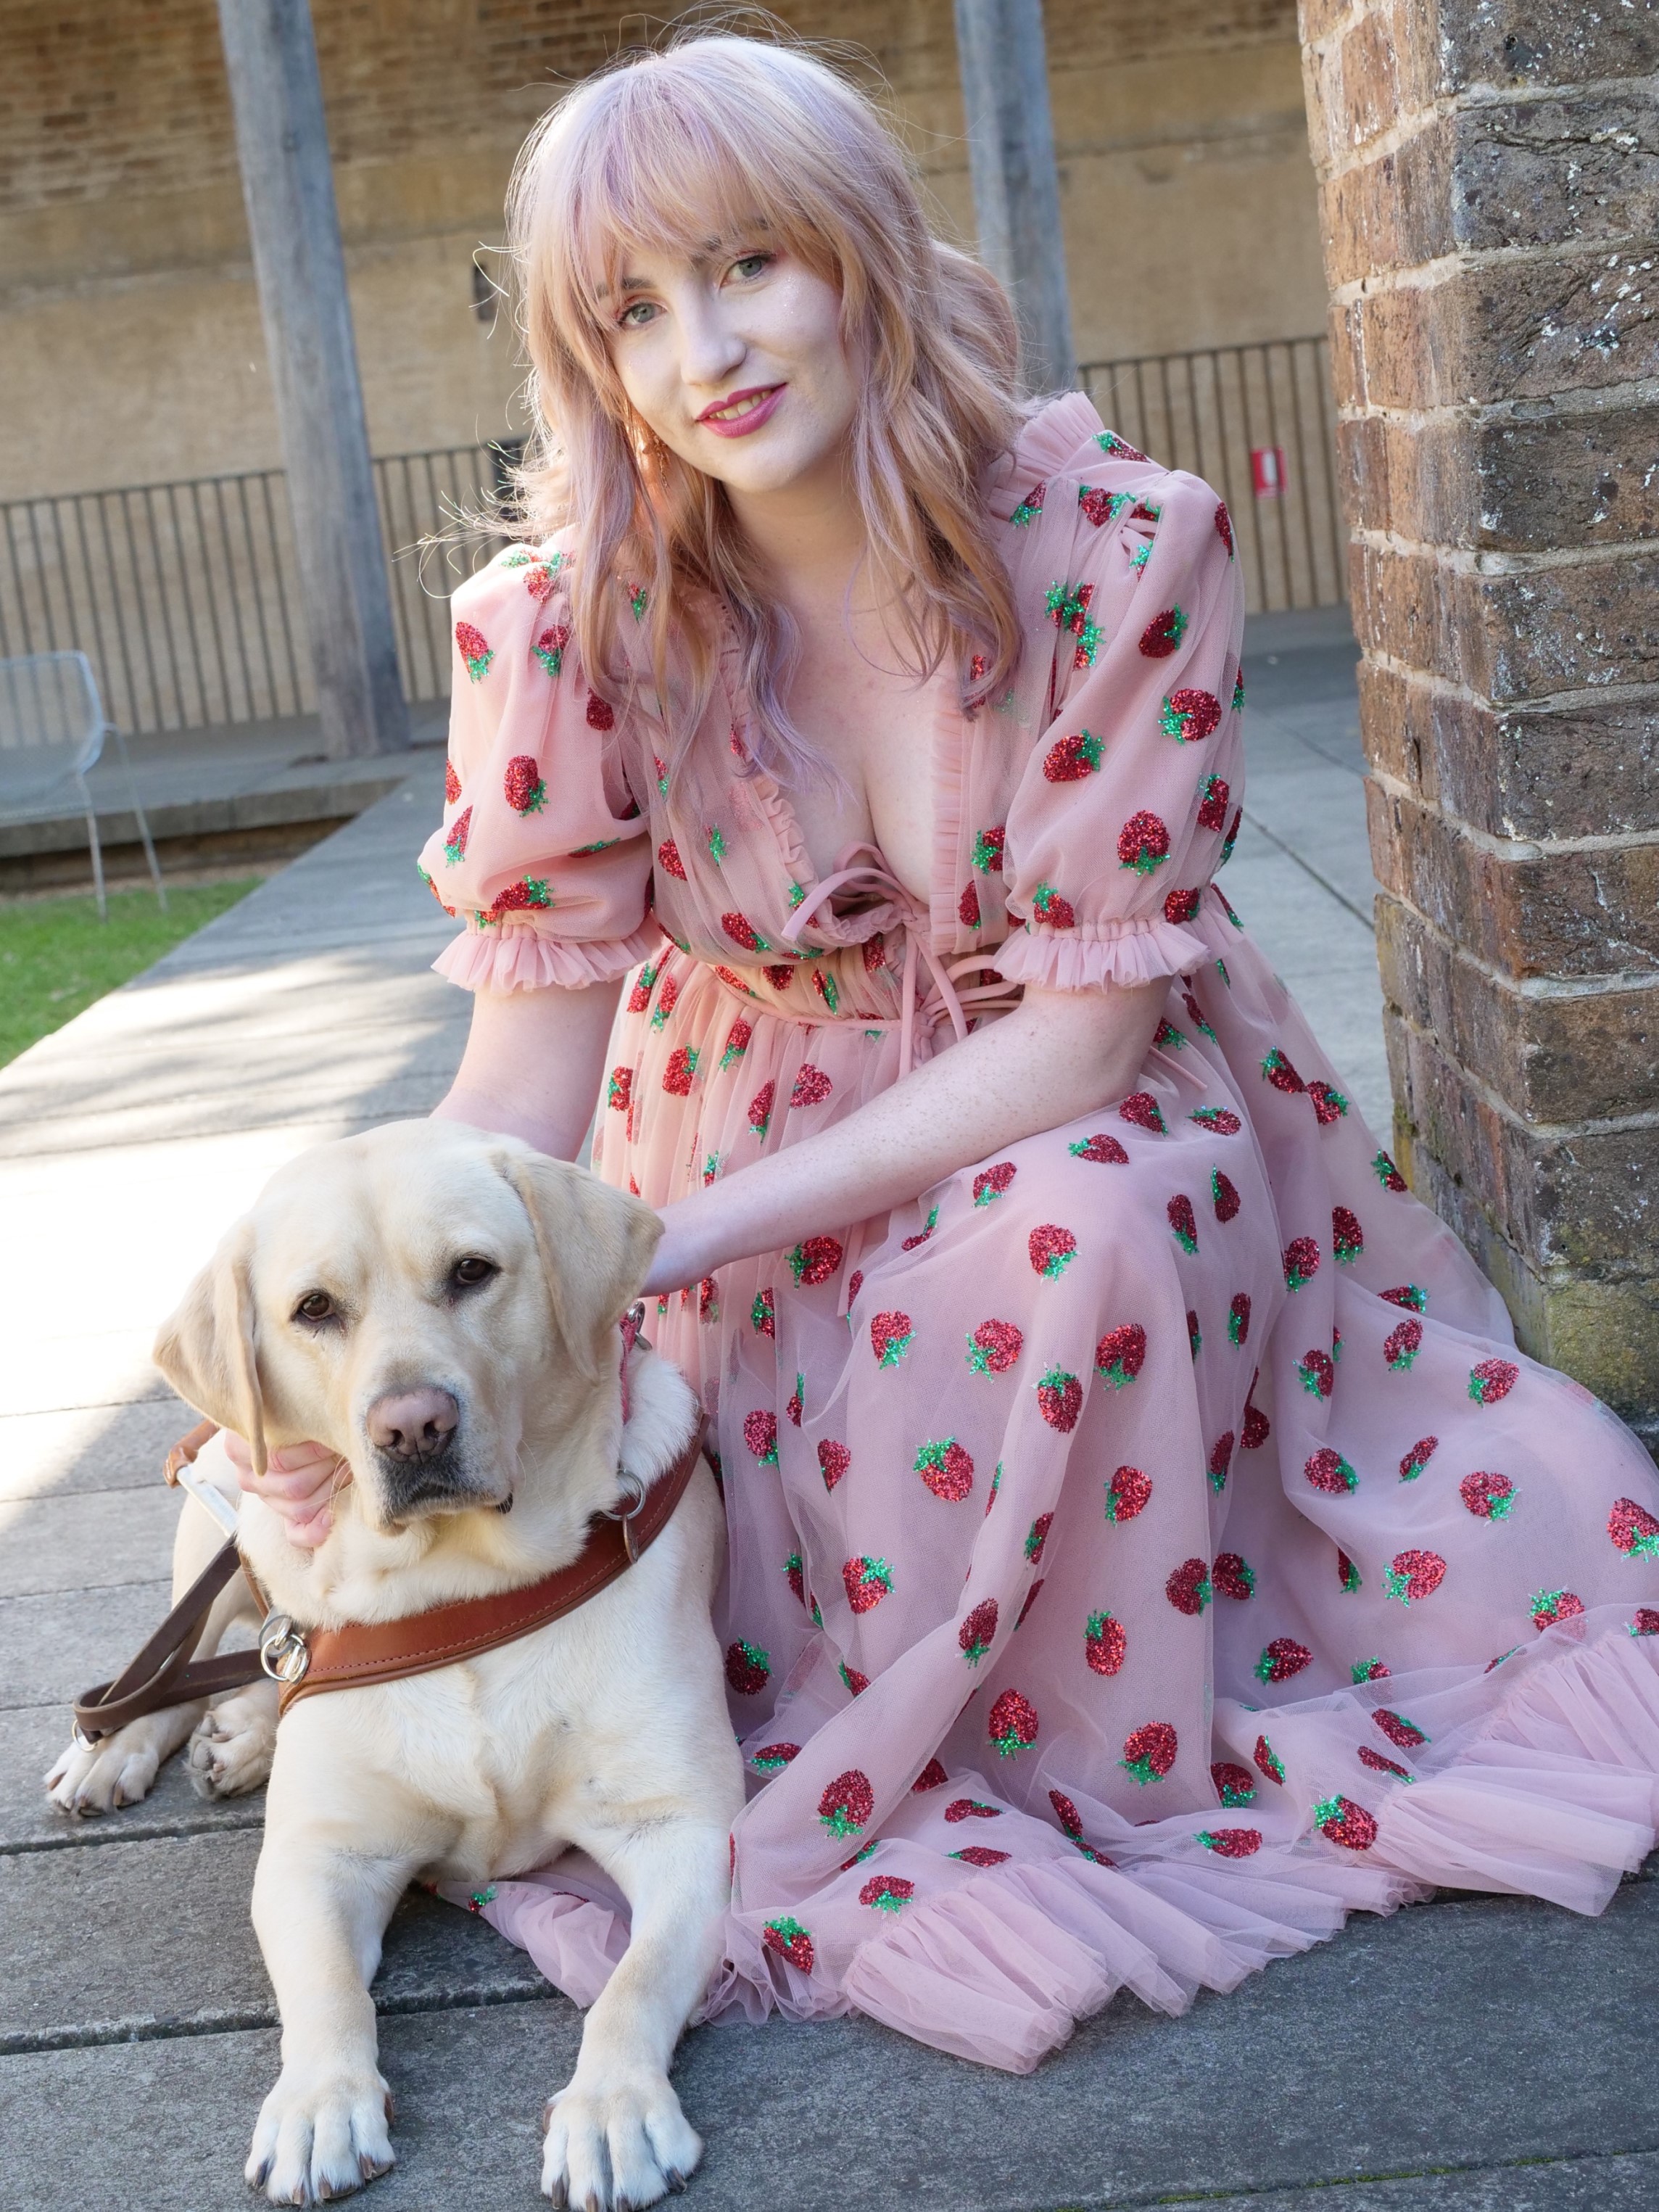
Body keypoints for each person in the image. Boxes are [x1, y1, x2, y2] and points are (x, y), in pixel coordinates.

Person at [233, 33, 1659, 2071]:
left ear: (862, 254)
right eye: (633, 311)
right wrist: (356, 1330)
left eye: (749, 265)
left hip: (1071, 1111)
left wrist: (661, 1239)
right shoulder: (571, 629)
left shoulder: (1112, 542)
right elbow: (519, 1097)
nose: (705, 347)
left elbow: (1085, 1045)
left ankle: (1113, 1734)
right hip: (727, 1134)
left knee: (1070, 1238)